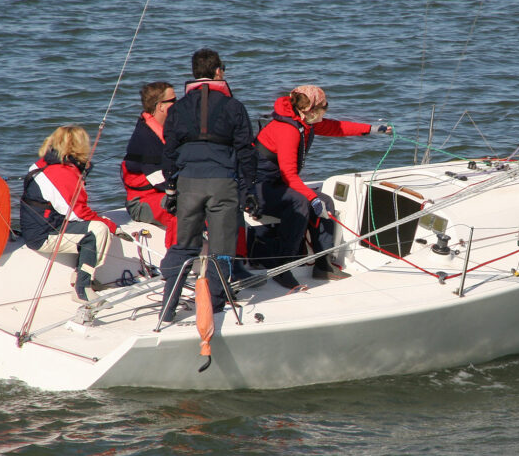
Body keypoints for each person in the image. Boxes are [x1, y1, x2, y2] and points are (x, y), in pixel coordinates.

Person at [254, 84, 391, 286]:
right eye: (323, 109)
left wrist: (370, 129)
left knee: (325, 201)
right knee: (300, 203)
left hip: (279, 183)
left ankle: (323, 265)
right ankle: (282, 266)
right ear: (310, 110)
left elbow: (336, 127)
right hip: (259, 189)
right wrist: (312, 198)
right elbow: (290, 175)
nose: (325, 113)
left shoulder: (304, 122)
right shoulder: (288, 130)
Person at [158, 48, 258, 321]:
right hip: (222, 183)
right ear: (218, 72)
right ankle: (213, 309)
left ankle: (167, 309)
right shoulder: (234, 106)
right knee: (221, 250)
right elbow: (246, 151)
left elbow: (169, 152)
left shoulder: (178, 108)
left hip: (188, 183)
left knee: (185, 246)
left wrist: (171, 188)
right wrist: (248, 189)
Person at [19, 125, 118, 304]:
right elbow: (79, 213)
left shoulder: (45, 163)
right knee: (98, 230)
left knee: (96, 226)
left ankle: (79, 277)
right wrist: (113, 227)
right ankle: (82, 289)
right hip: (43, 235)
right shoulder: (61, 173)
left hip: (38, 227)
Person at [121, 81, 177, 248]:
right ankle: (175, 258)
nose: (178, 104)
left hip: (159, 192)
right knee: (181, 204)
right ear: (161, 106)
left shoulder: (166, 130)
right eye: (173, 100)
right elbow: (162, 182)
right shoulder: (145, 139)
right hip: (141, 202)